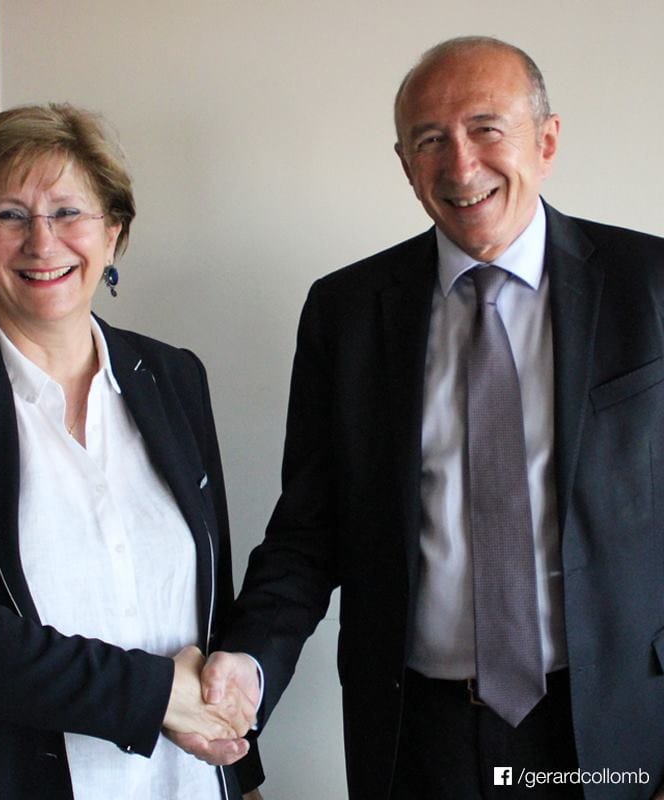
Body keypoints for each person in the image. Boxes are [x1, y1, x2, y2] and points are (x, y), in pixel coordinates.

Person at [193, 36, 664, 799]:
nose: (460, 164)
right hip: (419, 736)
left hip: (614, 725)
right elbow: (311, 531)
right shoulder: (346, 312)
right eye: (429, 140)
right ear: (405, 163)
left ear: (546, 142)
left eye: (486, 128)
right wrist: (246, 667)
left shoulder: (651, 286)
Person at [0, 103, 262, 800]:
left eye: (69, 212)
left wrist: (237, 766)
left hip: (182, 779)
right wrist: (154, 694)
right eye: (10, 216)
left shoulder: (174, 377)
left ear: (114, 233)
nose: (43, 244)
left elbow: (208, 596)